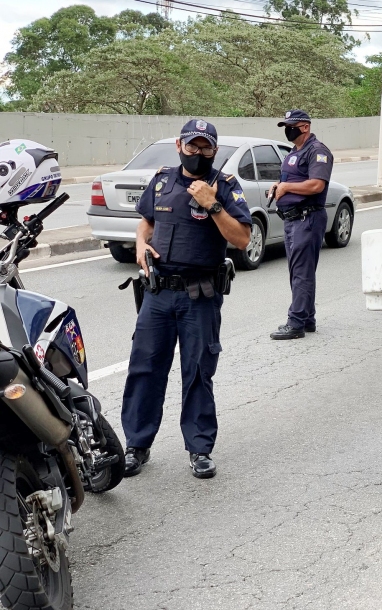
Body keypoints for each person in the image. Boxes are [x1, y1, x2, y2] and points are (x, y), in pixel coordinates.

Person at [122, 119, 252, 479]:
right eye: (191, 146)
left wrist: (213, 206)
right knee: (145, 369)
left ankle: (199, 449)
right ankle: (136, 445)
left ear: (214, 150)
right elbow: (145, 222)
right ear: (179, 146)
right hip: (158, 294)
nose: (198, 153)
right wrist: (140, 244)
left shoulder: (224, 186)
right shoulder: (162, 180)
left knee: (197, 372)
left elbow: (242, 238)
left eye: (205, 147)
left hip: (200, 296)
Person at [269, 110, 334, 340]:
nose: (288, 129)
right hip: (292, 219)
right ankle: (307, 318)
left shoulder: (317, 151)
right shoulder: (294, 152)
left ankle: (296, 322)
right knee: (299, 271)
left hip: (307, 219)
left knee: (301, 273)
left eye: (291, 125)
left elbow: (316, 185)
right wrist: (279, 186)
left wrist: (287, 189)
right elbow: (293, 180)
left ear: (305, 126)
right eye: (286, 126)